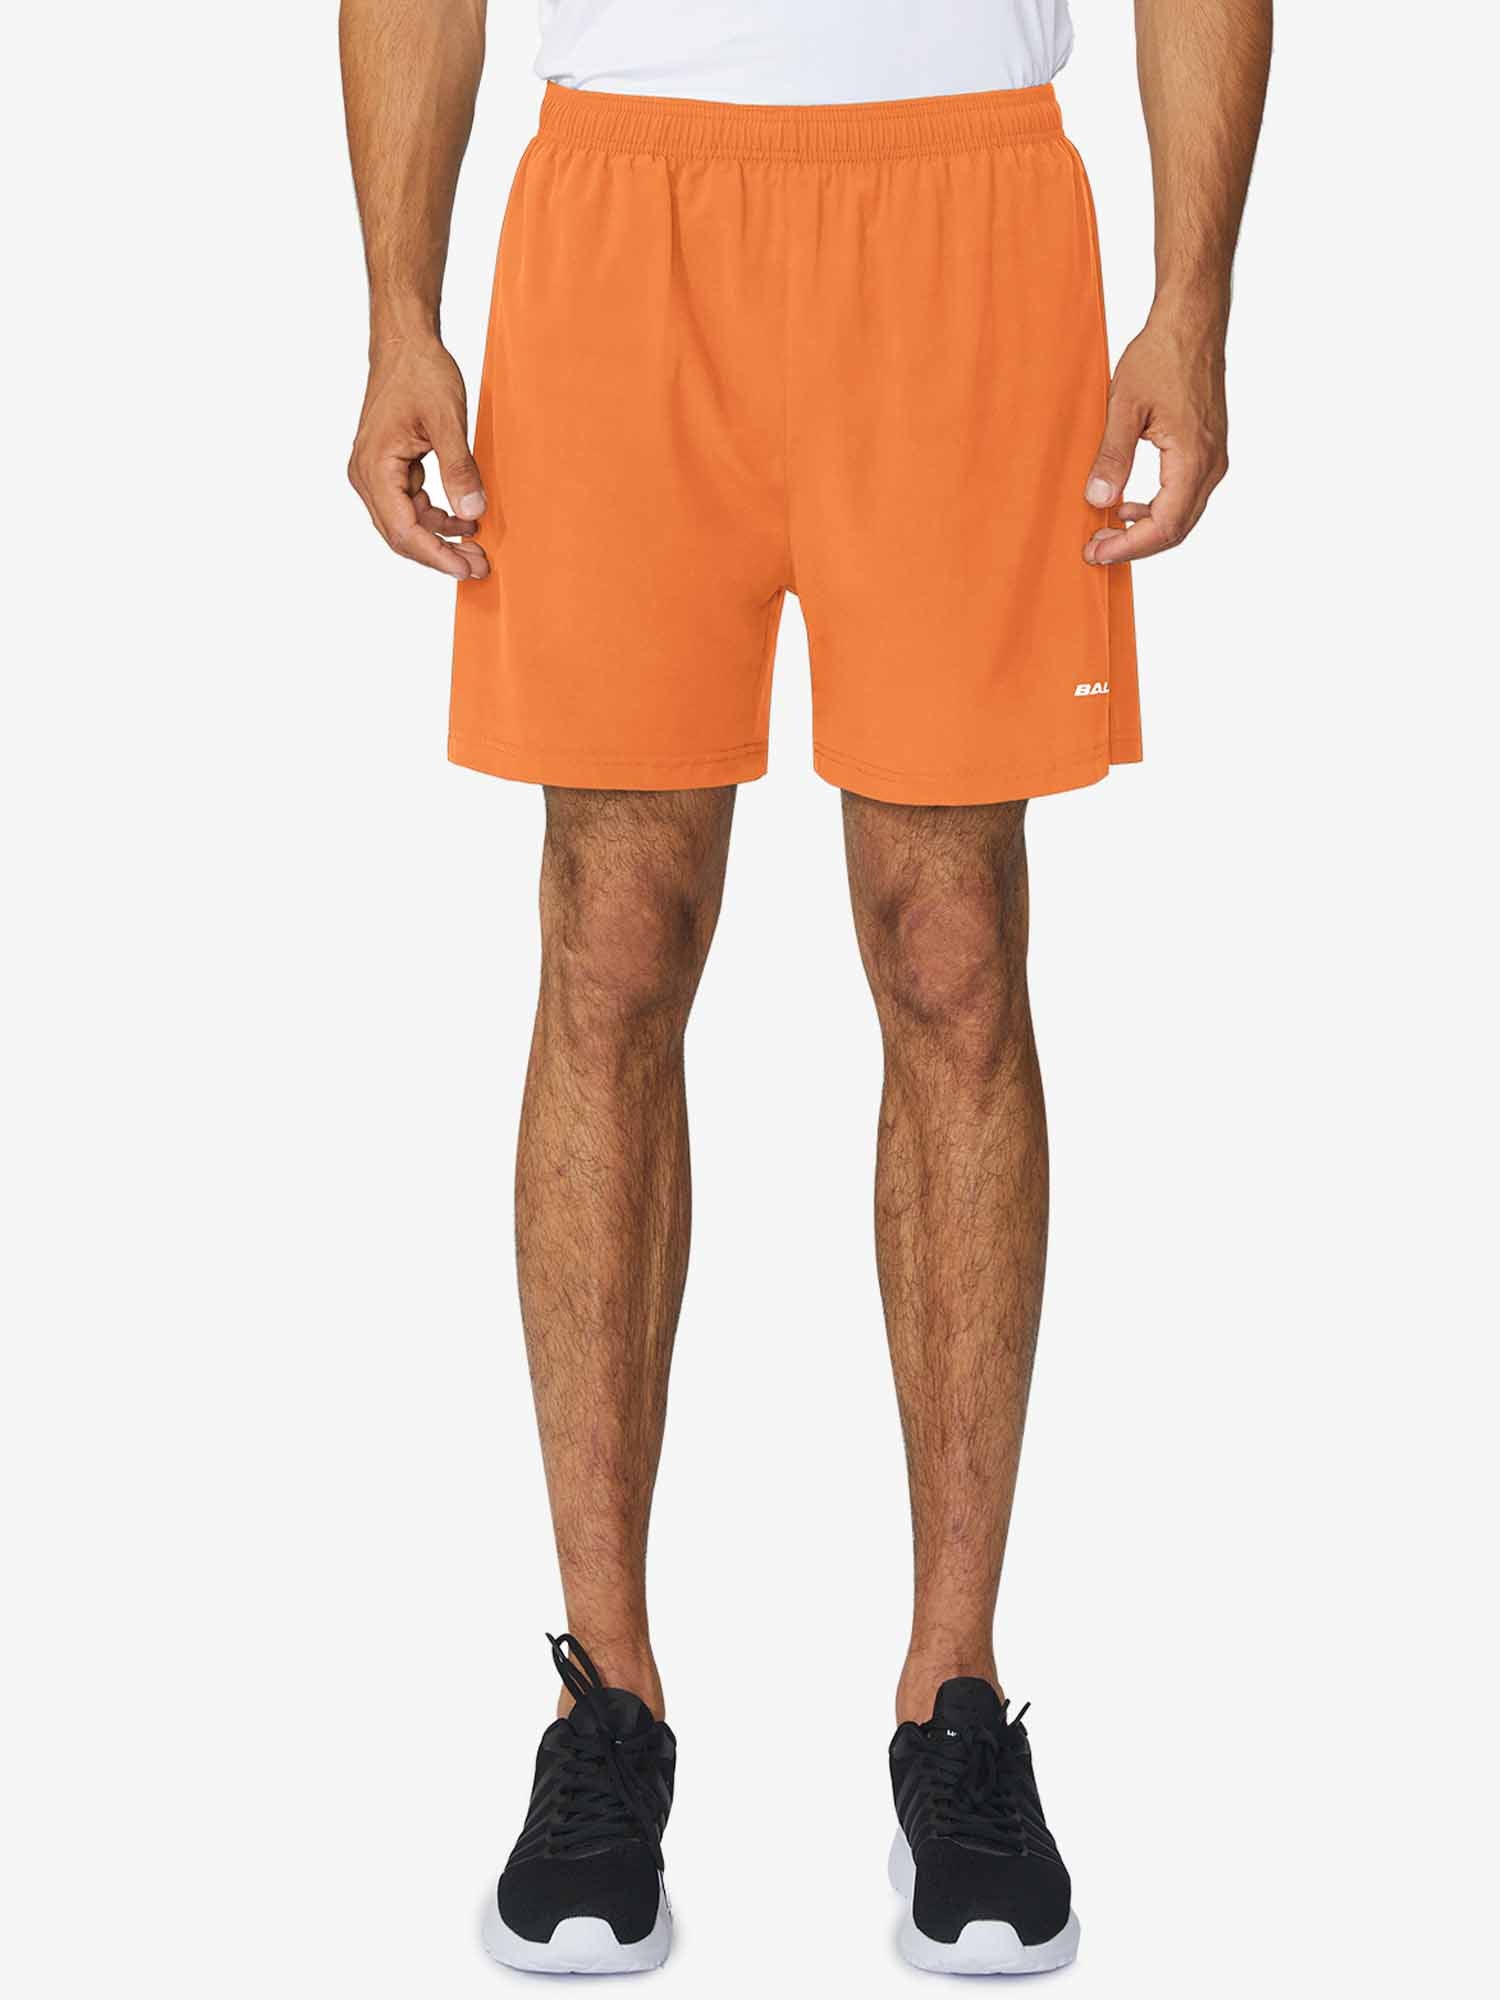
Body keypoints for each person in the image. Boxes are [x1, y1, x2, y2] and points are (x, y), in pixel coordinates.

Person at [341, 0, 1270, 1974]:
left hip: (967, 207)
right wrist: (397, 305)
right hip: (622, 210)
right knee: (609, 943)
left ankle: (955, 1700)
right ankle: (607, 1702)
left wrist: (1193, 299)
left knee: (954, 952)